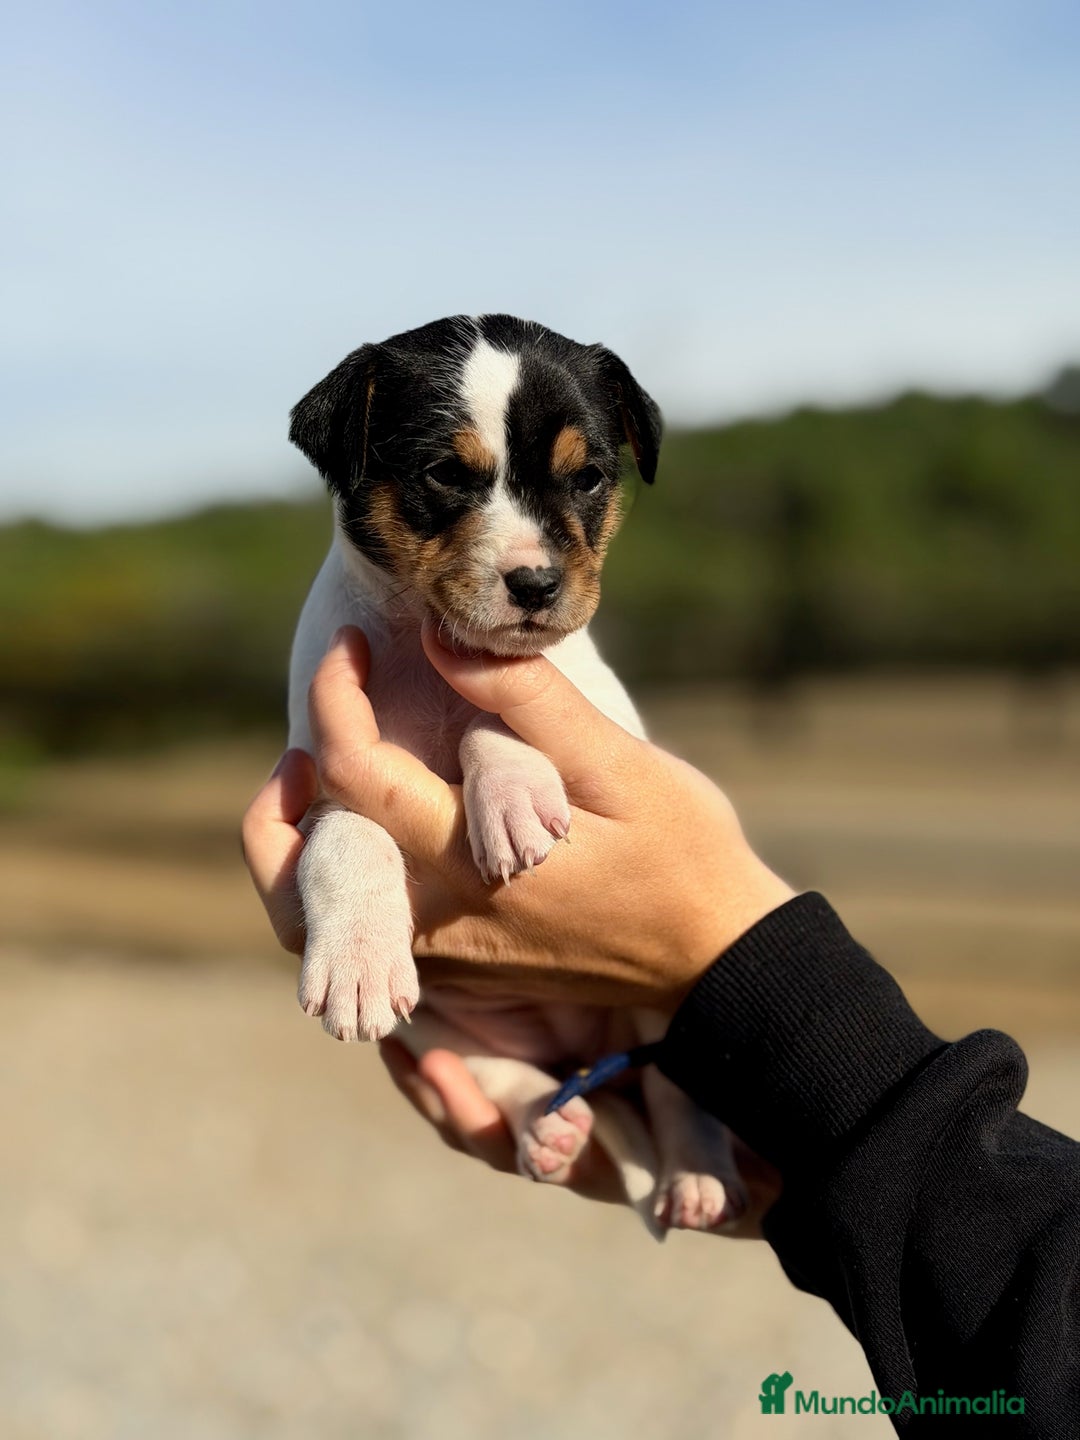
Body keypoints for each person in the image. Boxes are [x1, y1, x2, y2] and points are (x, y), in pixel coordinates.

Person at [244, 626, 1079, 1436]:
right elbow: (341, 807)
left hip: (650, 1023)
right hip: (500, 1023)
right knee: (440, 1027)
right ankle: (545, 1098)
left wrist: (501, 756)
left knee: (652, 1017)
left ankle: (683, 1128)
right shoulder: (349, 634)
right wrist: (350, 867)